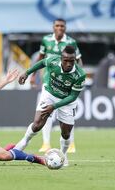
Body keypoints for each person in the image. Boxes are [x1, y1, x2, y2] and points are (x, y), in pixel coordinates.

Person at [8, 46, 86, 167]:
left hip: (66, 101)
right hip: (49, 93)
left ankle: (63, 155)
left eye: (72, 61)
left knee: (66, 133)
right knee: (38, 124)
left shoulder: (80, 75)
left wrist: (54, 106)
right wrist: (27, 73)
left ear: (75, 60)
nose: (69, 63)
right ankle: (22, 144)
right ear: (61, 59)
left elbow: (72, 97)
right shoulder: (53, 61)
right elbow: (41, 63)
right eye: (66, 60)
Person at [30, 18, 82, 153]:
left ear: (65, 28)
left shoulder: (71, 42)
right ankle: (46, 143)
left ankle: (71, 143)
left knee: (68, 113)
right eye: (57, 25)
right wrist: (33, 75)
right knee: (45, 112)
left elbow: (78, 60)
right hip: (48, 80)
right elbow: (41, 58)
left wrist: (78, 77)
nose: (59, 28)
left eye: (62, 26)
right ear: (53, 27)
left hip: (67, 82)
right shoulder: (46, 40)